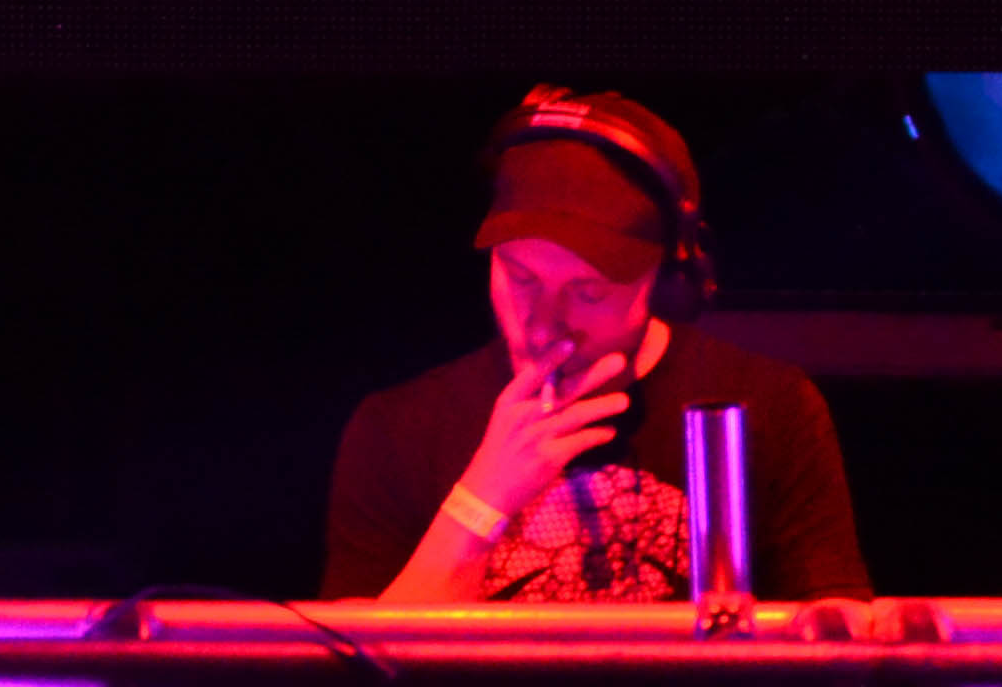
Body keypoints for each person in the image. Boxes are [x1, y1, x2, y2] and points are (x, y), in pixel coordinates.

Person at [317, 87, 869, 603]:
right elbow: (357, 671)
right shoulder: (396, 429)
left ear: (664, 281)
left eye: (587, 293)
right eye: (521, 278)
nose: (543, 328)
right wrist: (480, 502)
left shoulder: (771, 409)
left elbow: (835, 645)